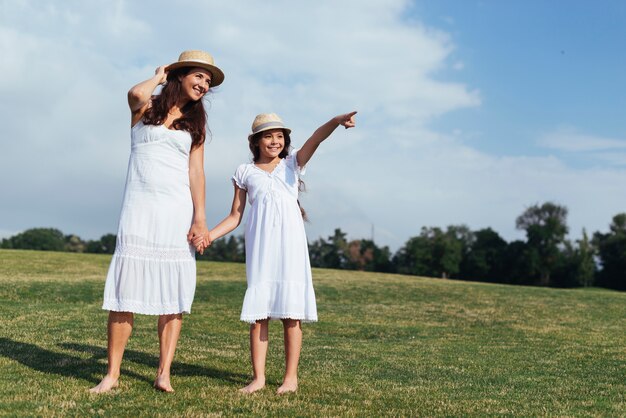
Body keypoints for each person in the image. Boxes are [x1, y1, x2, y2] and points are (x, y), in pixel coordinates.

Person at [90, 50, 224, 394]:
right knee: (125, 294)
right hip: (139, 209)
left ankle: (163, 372)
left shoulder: (196, 125)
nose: (204, 85)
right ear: (179, 75)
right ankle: (113, 374)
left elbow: (197, 172)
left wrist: (200, 218)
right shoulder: (146, 109)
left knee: (172, 295)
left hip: (175, 211)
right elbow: (134, 93)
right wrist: (160, 76)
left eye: (208, 81)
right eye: (199, 76)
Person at [199, 111, 356, 394]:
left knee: (291, 314)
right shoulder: (244, 172)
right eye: (269, 136)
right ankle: (258, 378)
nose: (275, 141)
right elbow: (235, 216)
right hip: (261, 247)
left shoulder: (292, 164)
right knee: (260, 314)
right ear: (257, 141)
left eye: (280, 136)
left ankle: (290, 378)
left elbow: (315, 140)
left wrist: (335, 121)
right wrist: (209, 235)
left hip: (291, 247)